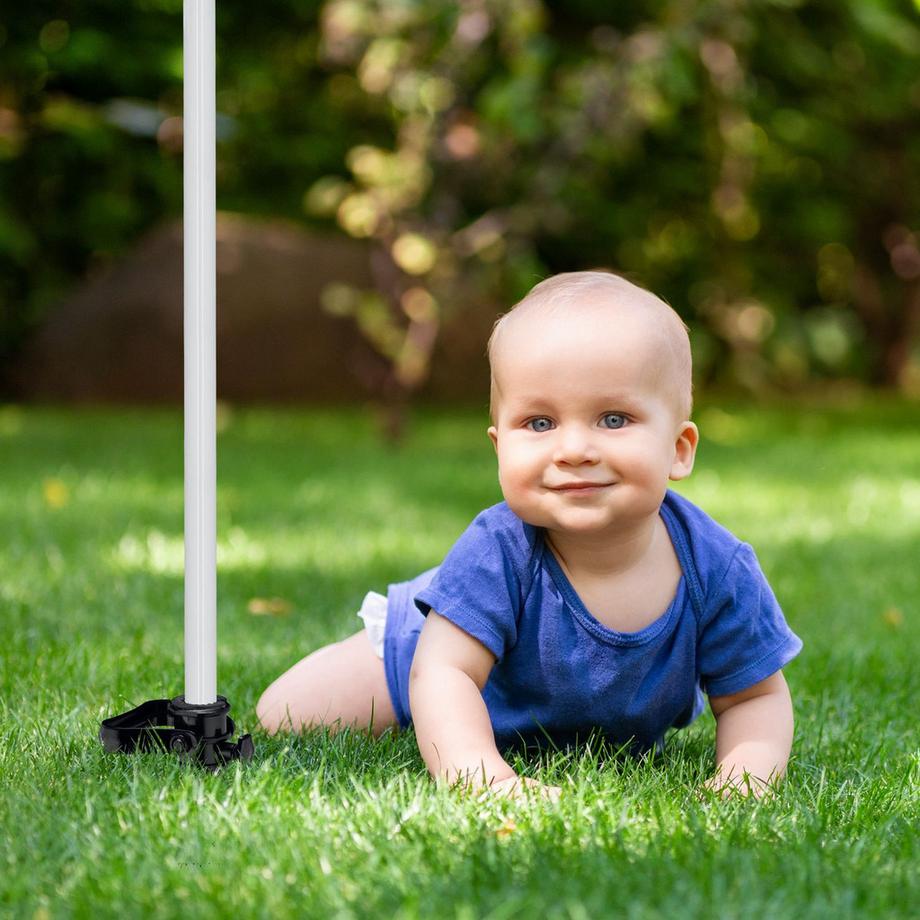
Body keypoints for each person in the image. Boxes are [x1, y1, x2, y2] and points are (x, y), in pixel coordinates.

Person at [256, 270, 802, 800]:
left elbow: (754, 699)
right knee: (285, 716)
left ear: (679, 449)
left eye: (613, 419)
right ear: (500, 447)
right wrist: (483, 778)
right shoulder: (499, 547)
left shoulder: (716, 568)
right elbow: (444, 673)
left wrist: (744, 780)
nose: (573, 449)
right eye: (539, 424)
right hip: (422, 654)